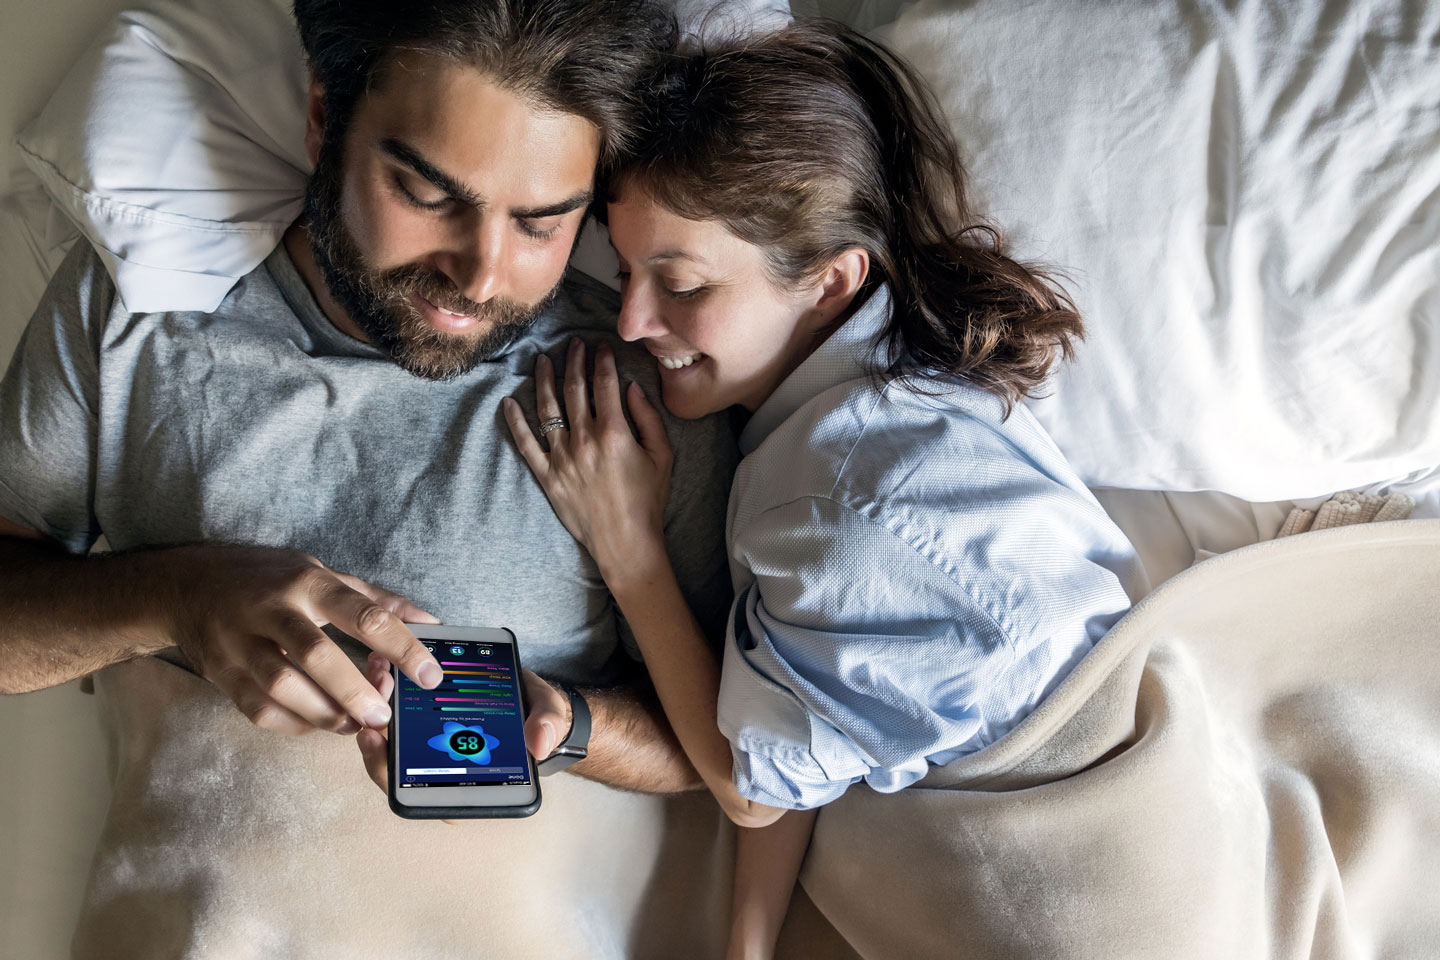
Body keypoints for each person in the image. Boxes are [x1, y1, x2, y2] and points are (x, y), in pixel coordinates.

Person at [0, 2, 749, 956]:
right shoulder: (141, 314)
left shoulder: (633, 392)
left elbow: (736, 748)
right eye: (430, 193)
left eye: (540, 222)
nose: (481, 276)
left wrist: (568, 731)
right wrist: (178, 597)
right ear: (323, 121)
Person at [500, 20, 1146, 960]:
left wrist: (628, 547)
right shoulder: (910, 379)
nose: (634, 319)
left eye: (678, 285)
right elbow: (808, 719)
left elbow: (752, 786)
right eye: (628, 269)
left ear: (828, 281)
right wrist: (749, 943)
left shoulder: (832, 504)